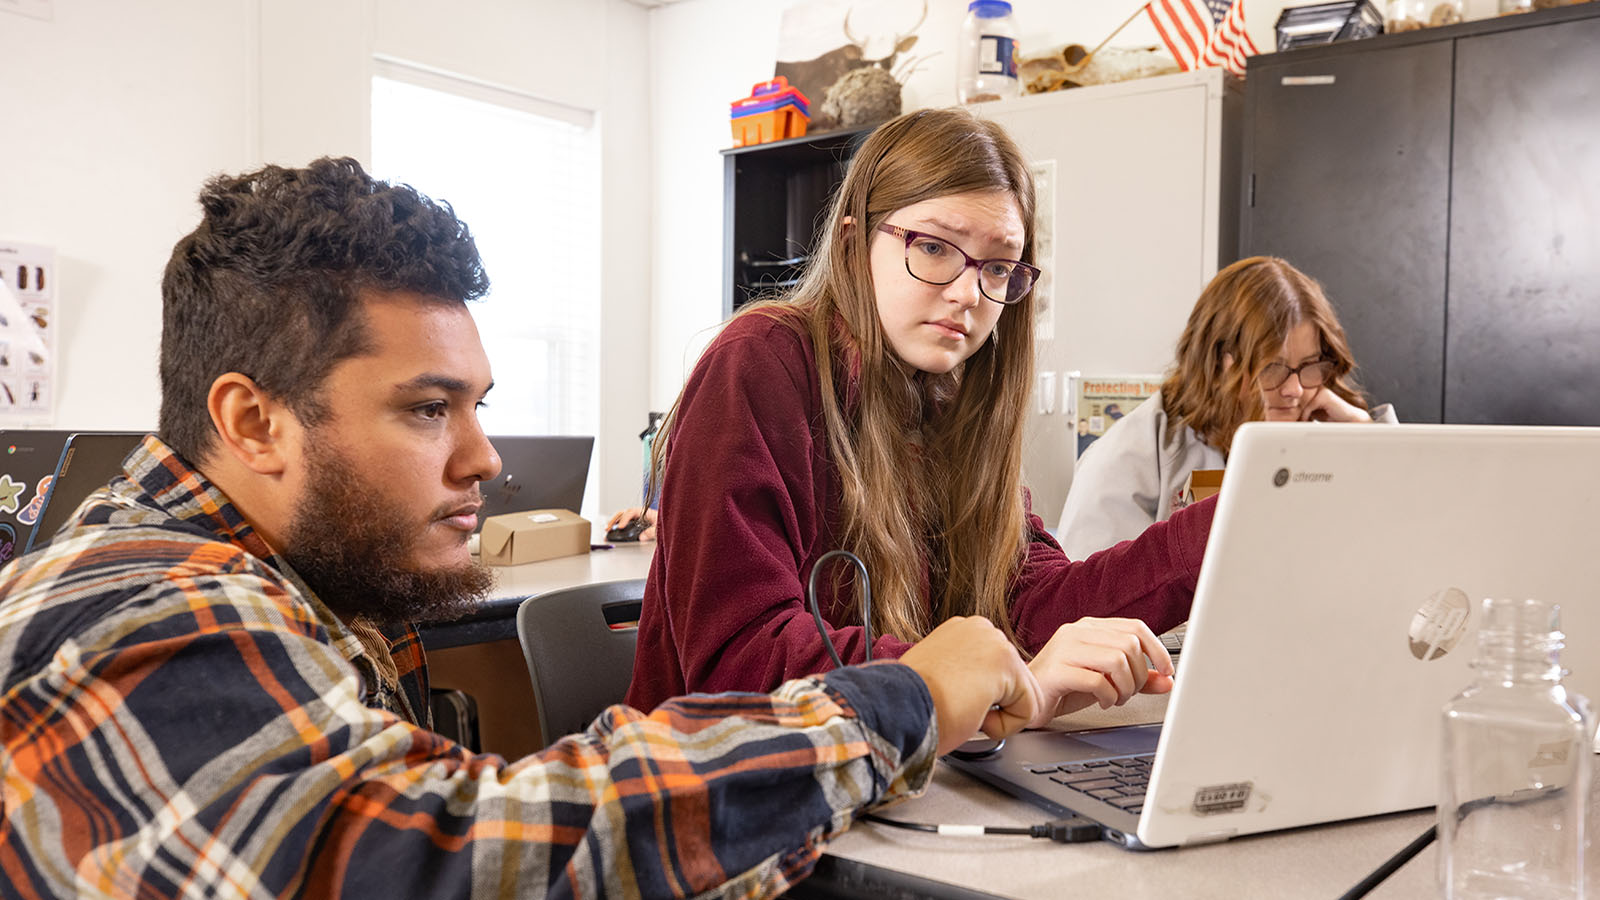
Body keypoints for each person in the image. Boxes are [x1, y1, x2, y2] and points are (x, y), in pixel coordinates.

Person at [0, 158, 1093, 898]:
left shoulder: (301, 595)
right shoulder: (140, 605)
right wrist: (896, 703)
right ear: (254, 421)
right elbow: (453, 858)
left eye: (478, 404)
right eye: (430, 409)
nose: (485, 459)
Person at [627, 107, 1208, 712]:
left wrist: (1223, 527)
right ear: (854, 244)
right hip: (740, 784)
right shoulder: (761, 361)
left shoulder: (945, 395)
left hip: (904, 771)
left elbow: (1030, 607)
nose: (966, 294)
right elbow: (740, 662)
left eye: (999, 266)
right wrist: (982, 678)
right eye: (933, 247)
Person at [1057, 255, 1397, 560]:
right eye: (1273, 367)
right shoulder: (1126, 459)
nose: (1294, 389)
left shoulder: (1331, 432)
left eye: (1309, 365)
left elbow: (1406, 543)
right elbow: (1092, 607)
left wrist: (1367, 441)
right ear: (1220, 364)